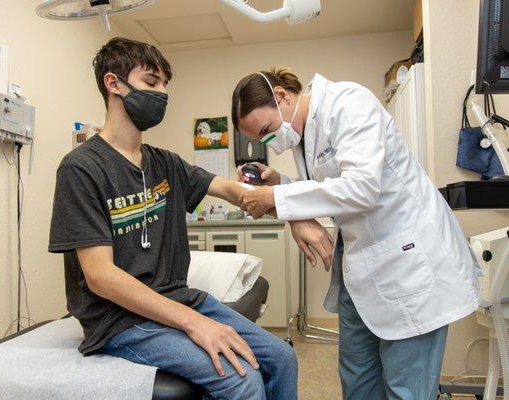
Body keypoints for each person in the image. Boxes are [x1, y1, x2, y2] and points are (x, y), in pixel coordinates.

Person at [48, 39, 333, 400]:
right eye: (152, 82)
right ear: (114, 83)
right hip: (119, 320)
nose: (163, 93)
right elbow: (101, 277)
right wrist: (194, 323)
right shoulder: (82, 168)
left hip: (178, 298)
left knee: (282, 358)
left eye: (166, 84)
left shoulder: (164, 163)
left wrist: (295, 215)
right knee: (240, 377)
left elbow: (237, 193)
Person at [232, 67, 482, 400]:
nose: (268, 142)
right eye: (260, 138)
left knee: (405, 388)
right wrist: (281, 184)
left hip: (407, 263)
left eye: (266, 130)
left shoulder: (347, 103)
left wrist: (275, 198)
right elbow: (326, 189)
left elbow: (361, 188)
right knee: (358, 380)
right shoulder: (304, 135)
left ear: (281, 96)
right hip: (362, 266)